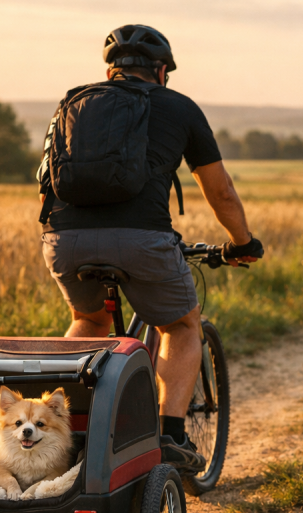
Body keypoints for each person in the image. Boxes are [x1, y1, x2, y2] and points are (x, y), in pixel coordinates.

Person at [37, 24, 264, 471]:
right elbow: (221, 192)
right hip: (142, 239)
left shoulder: (73, 105)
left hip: (63, 239)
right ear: (162, 71)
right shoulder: (179, 107)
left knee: (88, 319)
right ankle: (171, 435)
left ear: (109, 70)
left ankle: (61, 428)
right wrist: (243, 243)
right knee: (181, 325)